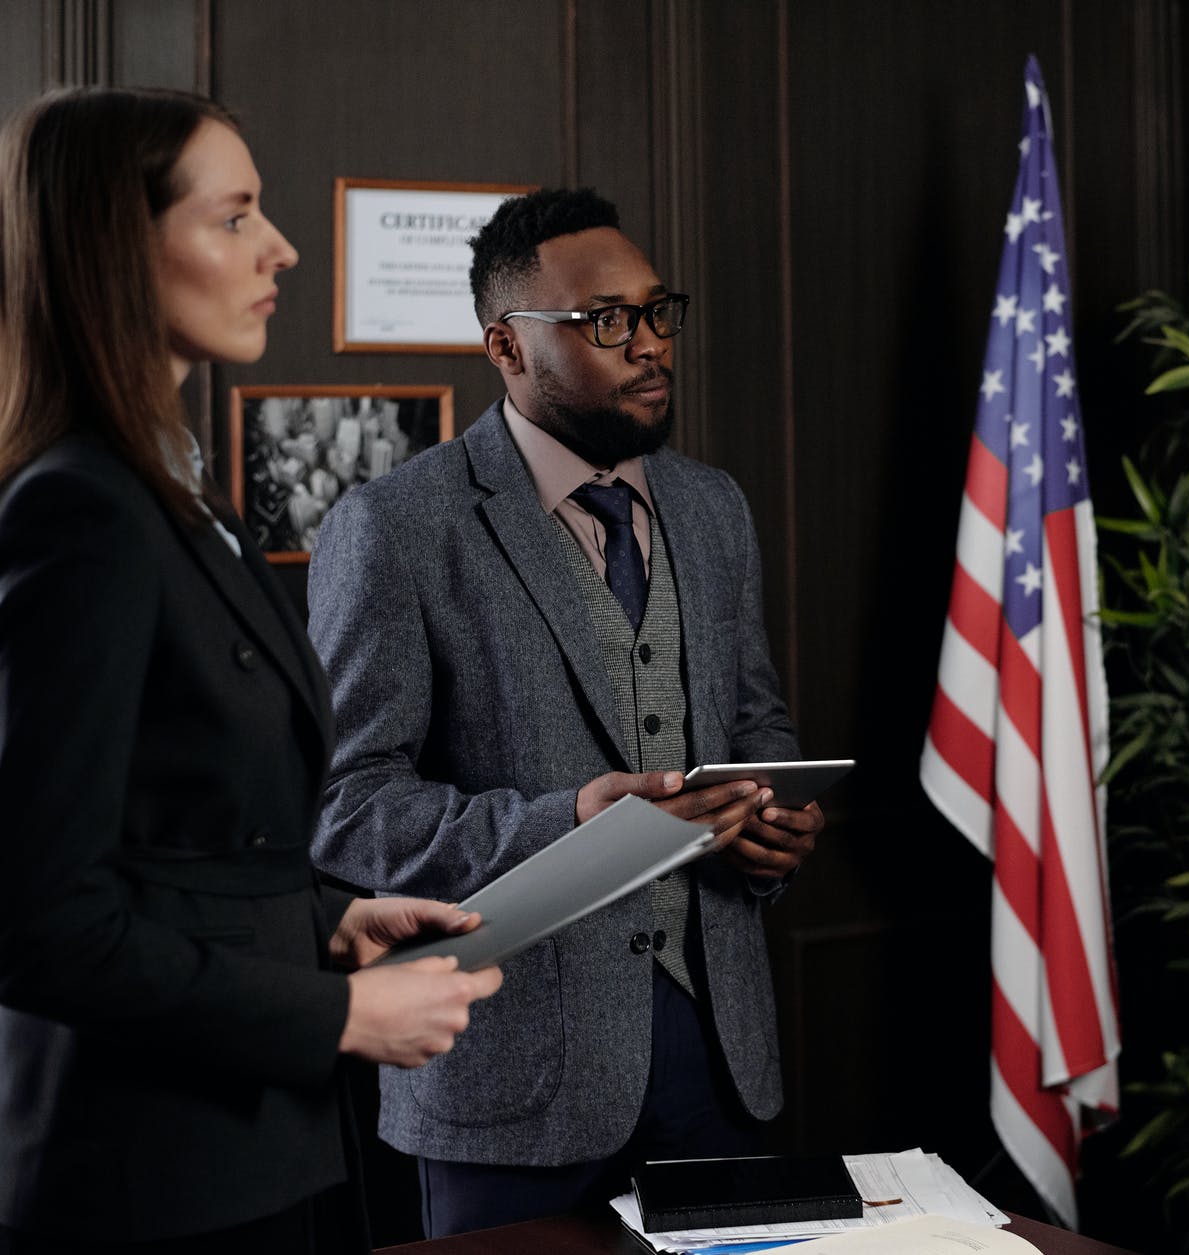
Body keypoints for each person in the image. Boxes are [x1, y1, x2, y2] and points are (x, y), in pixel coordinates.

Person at [0, 87, 502, 1254]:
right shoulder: (81, 512)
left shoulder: (168, 489)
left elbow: (174, 842)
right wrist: (337, 1008)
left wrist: (326, 921)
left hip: (246, 1152)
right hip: (144, 1182)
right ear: (116, 247)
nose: (277, 248)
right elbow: (36, 921)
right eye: (234, 218)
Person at [307, 187, 825, 1236]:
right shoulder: (396, 527)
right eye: (604, 320)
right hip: (505, 1082)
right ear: (503, 345)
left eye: (655, 312)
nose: (645, 344)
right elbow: (348, 807)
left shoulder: (713, 506)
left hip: (717, 1062)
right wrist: (567, 820)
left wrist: (772, 817)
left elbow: (755, 722)